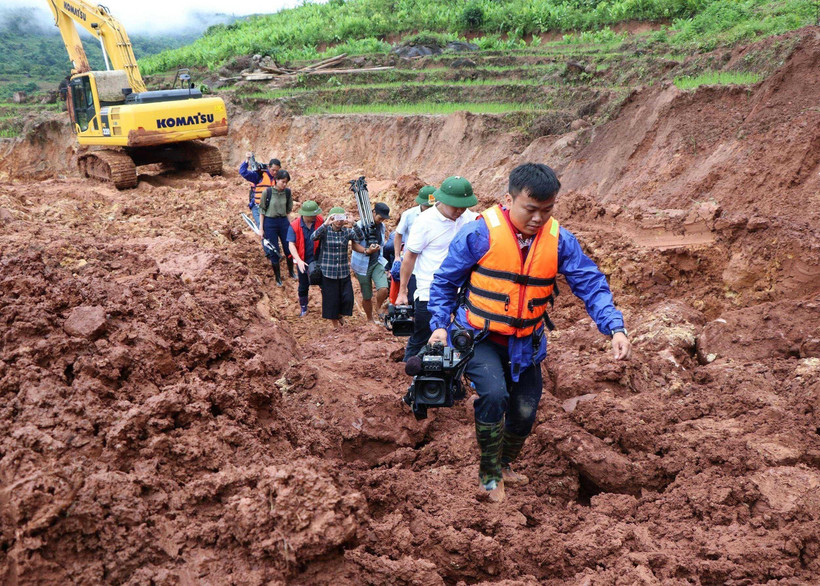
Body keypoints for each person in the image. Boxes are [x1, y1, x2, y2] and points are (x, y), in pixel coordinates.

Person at [426, 163, 632, 503]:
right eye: (530, 209)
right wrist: (438, 327)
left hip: (526, 342)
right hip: (480, 336)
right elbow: (445, 282)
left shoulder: (559, 240)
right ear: (509, 199)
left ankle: (505, 462)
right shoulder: (479, 235)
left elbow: (591, 283)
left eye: (547, 210)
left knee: (525, 410)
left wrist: (615, 327)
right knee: (493, 395)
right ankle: (490, 474)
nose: (538, 218)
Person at [396, 177, 478, 361]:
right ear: (443, 200)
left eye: (463, 206)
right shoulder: (424, 221)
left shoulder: (469, 218)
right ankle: (410, 376)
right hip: (429, 293)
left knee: (459, 340)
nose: (459, 211)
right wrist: (403, 291)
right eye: (455, 207)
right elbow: (409, 257)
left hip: (462, 293)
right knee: (422, 338)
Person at [312, 207, 365, 328]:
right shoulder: (325, 231)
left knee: (347, 298)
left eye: (341, 218)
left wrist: (354, 223)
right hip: (328, 271)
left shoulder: (347, 232)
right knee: (331, 300)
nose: (339, 221)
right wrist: (325, 224)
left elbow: (360, 238)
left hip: (343, 271)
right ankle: (335, 325)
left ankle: (340, 315)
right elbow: (313, 237)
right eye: (336, 218)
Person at [390, 185, 436, 303]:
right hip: (412, 260)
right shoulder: (409, 215)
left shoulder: (438, 216)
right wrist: (397, 257)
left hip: (429, 261)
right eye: (427, 206)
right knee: (411, 293)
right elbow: (398, 234)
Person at [351, 202, 391, 324]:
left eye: (384, 218)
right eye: (380, 217)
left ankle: (378, 307)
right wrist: (367, 250)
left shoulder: (382, 226)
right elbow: (353, 245)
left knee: (383, 288)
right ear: (373, 213)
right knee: (367, 295)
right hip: (362, 265)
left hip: (376, 262)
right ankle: (370, 319)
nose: (382, 220)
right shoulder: (360, 225)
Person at [287, 201, 324, 316]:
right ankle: (304, 307)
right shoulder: (294, 226)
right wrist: (298, 260)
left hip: (318, 257)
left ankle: (328, 306)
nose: (314, 217)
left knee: (324, 283)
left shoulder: (320, 221)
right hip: (303, 258)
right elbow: (291, 244)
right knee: (303, 285)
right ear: (304, 214)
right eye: (312, 215)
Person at [258, 169, 294, 286]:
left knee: (288, 247)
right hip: (270, 223)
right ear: (276, 180)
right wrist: (261, 228)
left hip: (283, 222)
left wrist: (291, 226)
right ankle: (278, 277)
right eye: (282, 182)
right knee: (274, 250)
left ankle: (292, 272)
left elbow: (288, 211)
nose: (284, 184)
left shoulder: (287, 193)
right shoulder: (267, 193)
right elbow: (262, 211)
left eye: (286, 182)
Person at [238, 153, 281, 229]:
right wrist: (247, 160)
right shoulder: (259, 176)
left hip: (270, 209)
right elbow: (243, 172)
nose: (274, 172)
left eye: (276, 171)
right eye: (273, 170)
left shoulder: (277, 179)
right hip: (257, 207)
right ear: (268, 167)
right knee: (263, 227)